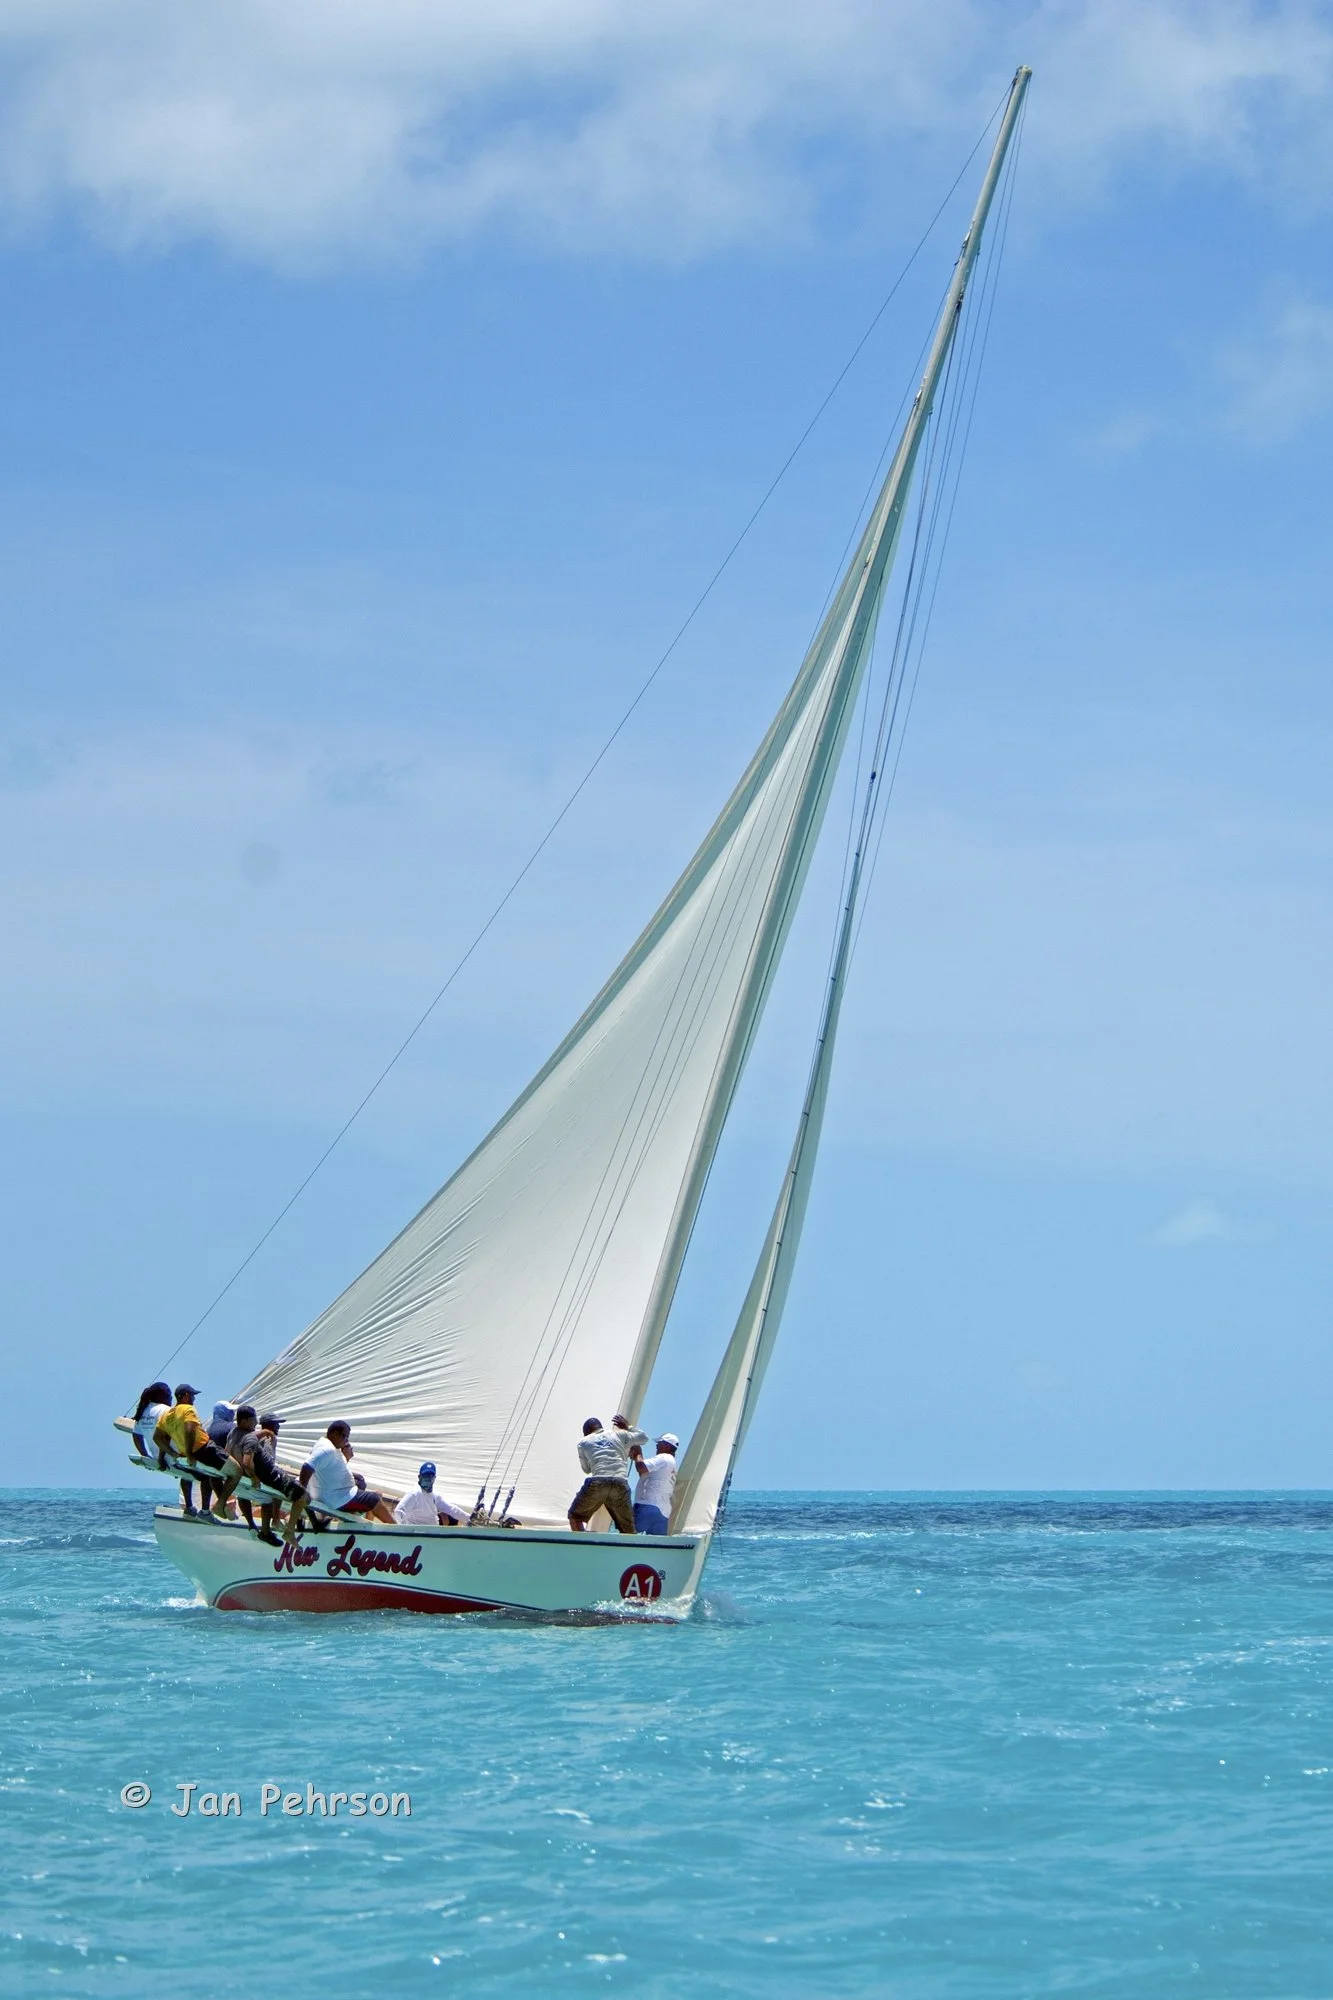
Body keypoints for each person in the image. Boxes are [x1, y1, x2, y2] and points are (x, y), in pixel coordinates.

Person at [153, 1384, 229, 1517]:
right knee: (213, 1475)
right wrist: (189, 1454)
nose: (194, 1399)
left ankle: (189, 1507)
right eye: (193, 1395)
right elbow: (189, 1430)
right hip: (197, 1452)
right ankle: (207, 1512)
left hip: (181, 1456)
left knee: (186, 1475)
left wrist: (170, 1455)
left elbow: (158, 1438)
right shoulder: (188, 1409)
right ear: (186, 1396)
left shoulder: (168, 1414)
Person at [300, 1422, 394, 1525]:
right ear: (335, 1434)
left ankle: (355, 1527)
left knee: (364, 1486)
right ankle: (397, 1529)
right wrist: (301, 1492)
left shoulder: (327, 1445)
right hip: (337, 1499)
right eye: (345, 1437)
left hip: (337, 1495)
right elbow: (307, 1466)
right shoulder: (327, 1449)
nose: (346, 1441)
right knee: (374, 1499)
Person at [568, 1414, 648, 1534]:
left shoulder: (583, 1442)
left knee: (575, 1516)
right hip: (620, 1482)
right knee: (628, 1529)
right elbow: (643, 1438)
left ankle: (584, 1544)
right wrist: (628, 1426)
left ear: (586, 1432)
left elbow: (587, 1469)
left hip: (598, 1482)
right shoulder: (619, 1434)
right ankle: (628, 1549)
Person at [241, 1413, 308, 1545]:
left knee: (274, 1493)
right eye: (276, 1424)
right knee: (303, 1496)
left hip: (256, 1475)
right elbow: (268, 1460)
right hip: (265, 1475)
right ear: (269, 1425)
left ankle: (274, 1522)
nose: (278, 1427)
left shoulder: (255, 1436)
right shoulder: (269, 1438)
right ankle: (288, 1531)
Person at [631, 1431, 679, 1535]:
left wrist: (638, 1454)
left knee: (627, 1530)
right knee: (654, 1542)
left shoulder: (664, 1457)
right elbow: (645, 1475)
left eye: (659, 1443)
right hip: (663, 1512)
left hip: (648, 1505)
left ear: (666, 1446)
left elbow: (641, 1468)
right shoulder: (672, 1463)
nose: (657, 1446)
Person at [394, 1463, 463, 1527]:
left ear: (434, 1478)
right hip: (419, 1534)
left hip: (432, 1532)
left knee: (452, 1518)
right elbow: (398, 1512)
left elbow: (452, 1509)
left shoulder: (435, 1495)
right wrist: (405, 1530)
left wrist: (469, 1518)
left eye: (431, 1476)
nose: (428, 1479)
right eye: (426, 1476)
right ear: (419, 1477)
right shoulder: (414, 1493)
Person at [130, 1382, 173, 1458]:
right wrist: (161, 1458)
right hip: (174, 1458)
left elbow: (136, 1435)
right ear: (161, 1397)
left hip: (156, 1457)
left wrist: (144, 1454)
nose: (171, 1398)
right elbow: (165, 1436)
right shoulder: (167, 1410)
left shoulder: (142, 1412)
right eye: (169, 1395)